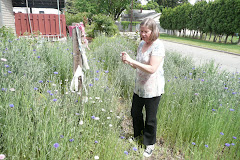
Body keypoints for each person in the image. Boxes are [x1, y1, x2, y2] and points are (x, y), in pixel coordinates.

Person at [121, 18, 165, 158]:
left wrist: (133, 61)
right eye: (141, 31)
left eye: (146, 31)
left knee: (150, 118)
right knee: (135, 113)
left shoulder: (158, 46)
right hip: (139, 86)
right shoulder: (141, 44)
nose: (143, 34)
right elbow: (137, 64)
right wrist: (129, 61)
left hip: (153, 88)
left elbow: (152, 68)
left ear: (153, 31)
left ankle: (149, 144)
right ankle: (138, 135)